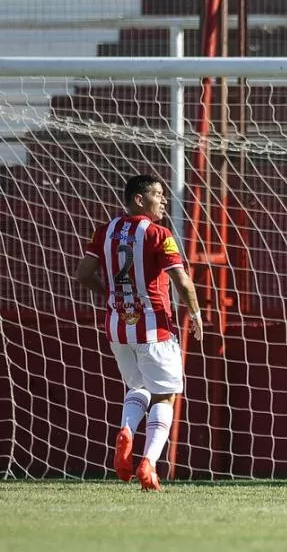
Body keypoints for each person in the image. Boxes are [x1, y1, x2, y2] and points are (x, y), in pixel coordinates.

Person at [73, 174, 204, 491]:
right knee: (165, 396)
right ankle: (148, 463)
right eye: (157, 194)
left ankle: (128, 430)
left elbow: (82, 274)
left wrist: (109, 295)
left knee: (139, 387)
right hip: (155, 328)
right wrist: (197, 314)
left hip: (118, 329)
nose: (163, 200)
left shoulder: (105, 232)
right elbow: (182, 282)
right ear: (138, 199)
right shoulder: (159, 234)